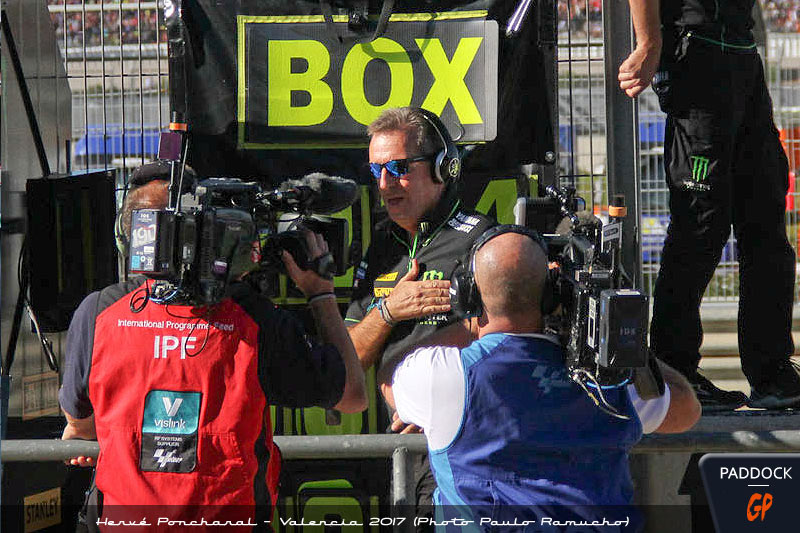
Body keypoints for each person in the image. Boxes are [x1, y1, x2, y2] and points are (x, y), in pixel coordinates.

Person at [59, 162, 366, 529]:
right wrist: (321, 295)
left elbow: (79, 424)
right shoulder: (253, 318)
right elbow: (352, 395)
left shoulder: (99, 312)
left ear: (127, 239)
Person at [384, 226, 701, 528]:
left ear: (467, 296)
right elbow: (686, 409)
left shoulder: (440, 376)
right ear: (551, 295)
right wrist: (622, 342)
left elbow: (391, 381)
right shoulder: (606, 379)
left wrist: (470, 322)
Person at [629, 0, 799, 410]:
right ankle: (673, 373)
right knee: (700, 224)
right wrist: (649, 43)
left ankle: (773, 374)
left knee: (766, 221)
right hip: (696, 54)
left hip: (742, 52)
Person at [345, 106, 495, 525]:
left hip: (466, 452)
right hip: (400, 455)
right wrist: (389, 311)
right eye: (376, 170)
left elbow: (511, 345)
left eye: (398, 168)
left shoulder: (484, 242)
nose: (384, 184)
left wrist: (442, 406)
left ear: (444, 167)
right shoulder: (381, 245)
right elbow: (348, 361)